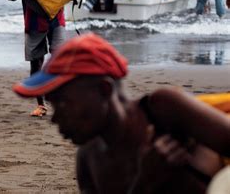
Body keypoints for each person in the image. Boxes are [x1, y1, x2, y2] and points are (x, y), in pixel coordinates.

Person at [13, 33, 230, 193]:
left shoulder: (164, 111)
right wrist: (145, 181)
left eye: (63, 103)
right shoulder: (88, 159)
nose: (55, 118)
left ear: (104, 90)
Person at [5, 0, 84, 117]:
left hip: (56, 18)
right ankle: (41, 104)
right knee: (36, 63)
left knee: (59, 58)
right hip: (32, 21)